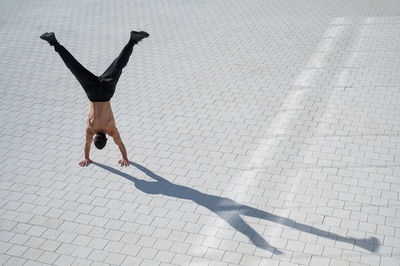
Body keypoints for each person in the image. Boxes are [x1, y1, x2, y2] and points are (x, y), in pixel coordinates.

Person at [40, 31, 149, 167]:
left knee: (118, 65)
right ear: (95, 137)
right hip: (92, 92)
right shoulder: (90, 129)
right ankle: (53, 41)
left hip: (106, 93)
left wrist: (125, 158)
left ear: (106, 138)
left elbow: (120, 144)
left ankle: (133, 41)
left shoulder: (111, 129)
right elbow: (87, 144)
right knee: (74, 67)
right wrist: (86, 157)